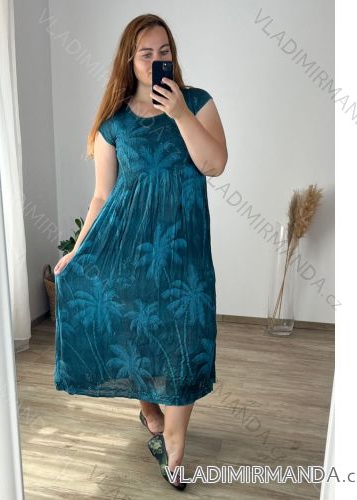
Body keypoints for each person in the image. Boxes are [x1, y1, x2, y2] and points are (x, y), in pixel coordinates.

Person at [53, 13, 227, 490]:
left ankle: (174, 444)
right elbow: (102, 196)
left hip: (184, 253)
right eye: (146, 54)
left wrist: (180, 114)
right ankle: (151, 412)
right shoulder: (114, 123)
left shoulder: (197, 103)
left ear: (174, 55)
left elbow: (214, 164)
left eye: (163, 51)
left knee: (185, 341)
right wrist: (77, 251)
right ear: (129, 61)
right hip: (127, 247)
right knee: (133, 334)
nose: (156, 60)